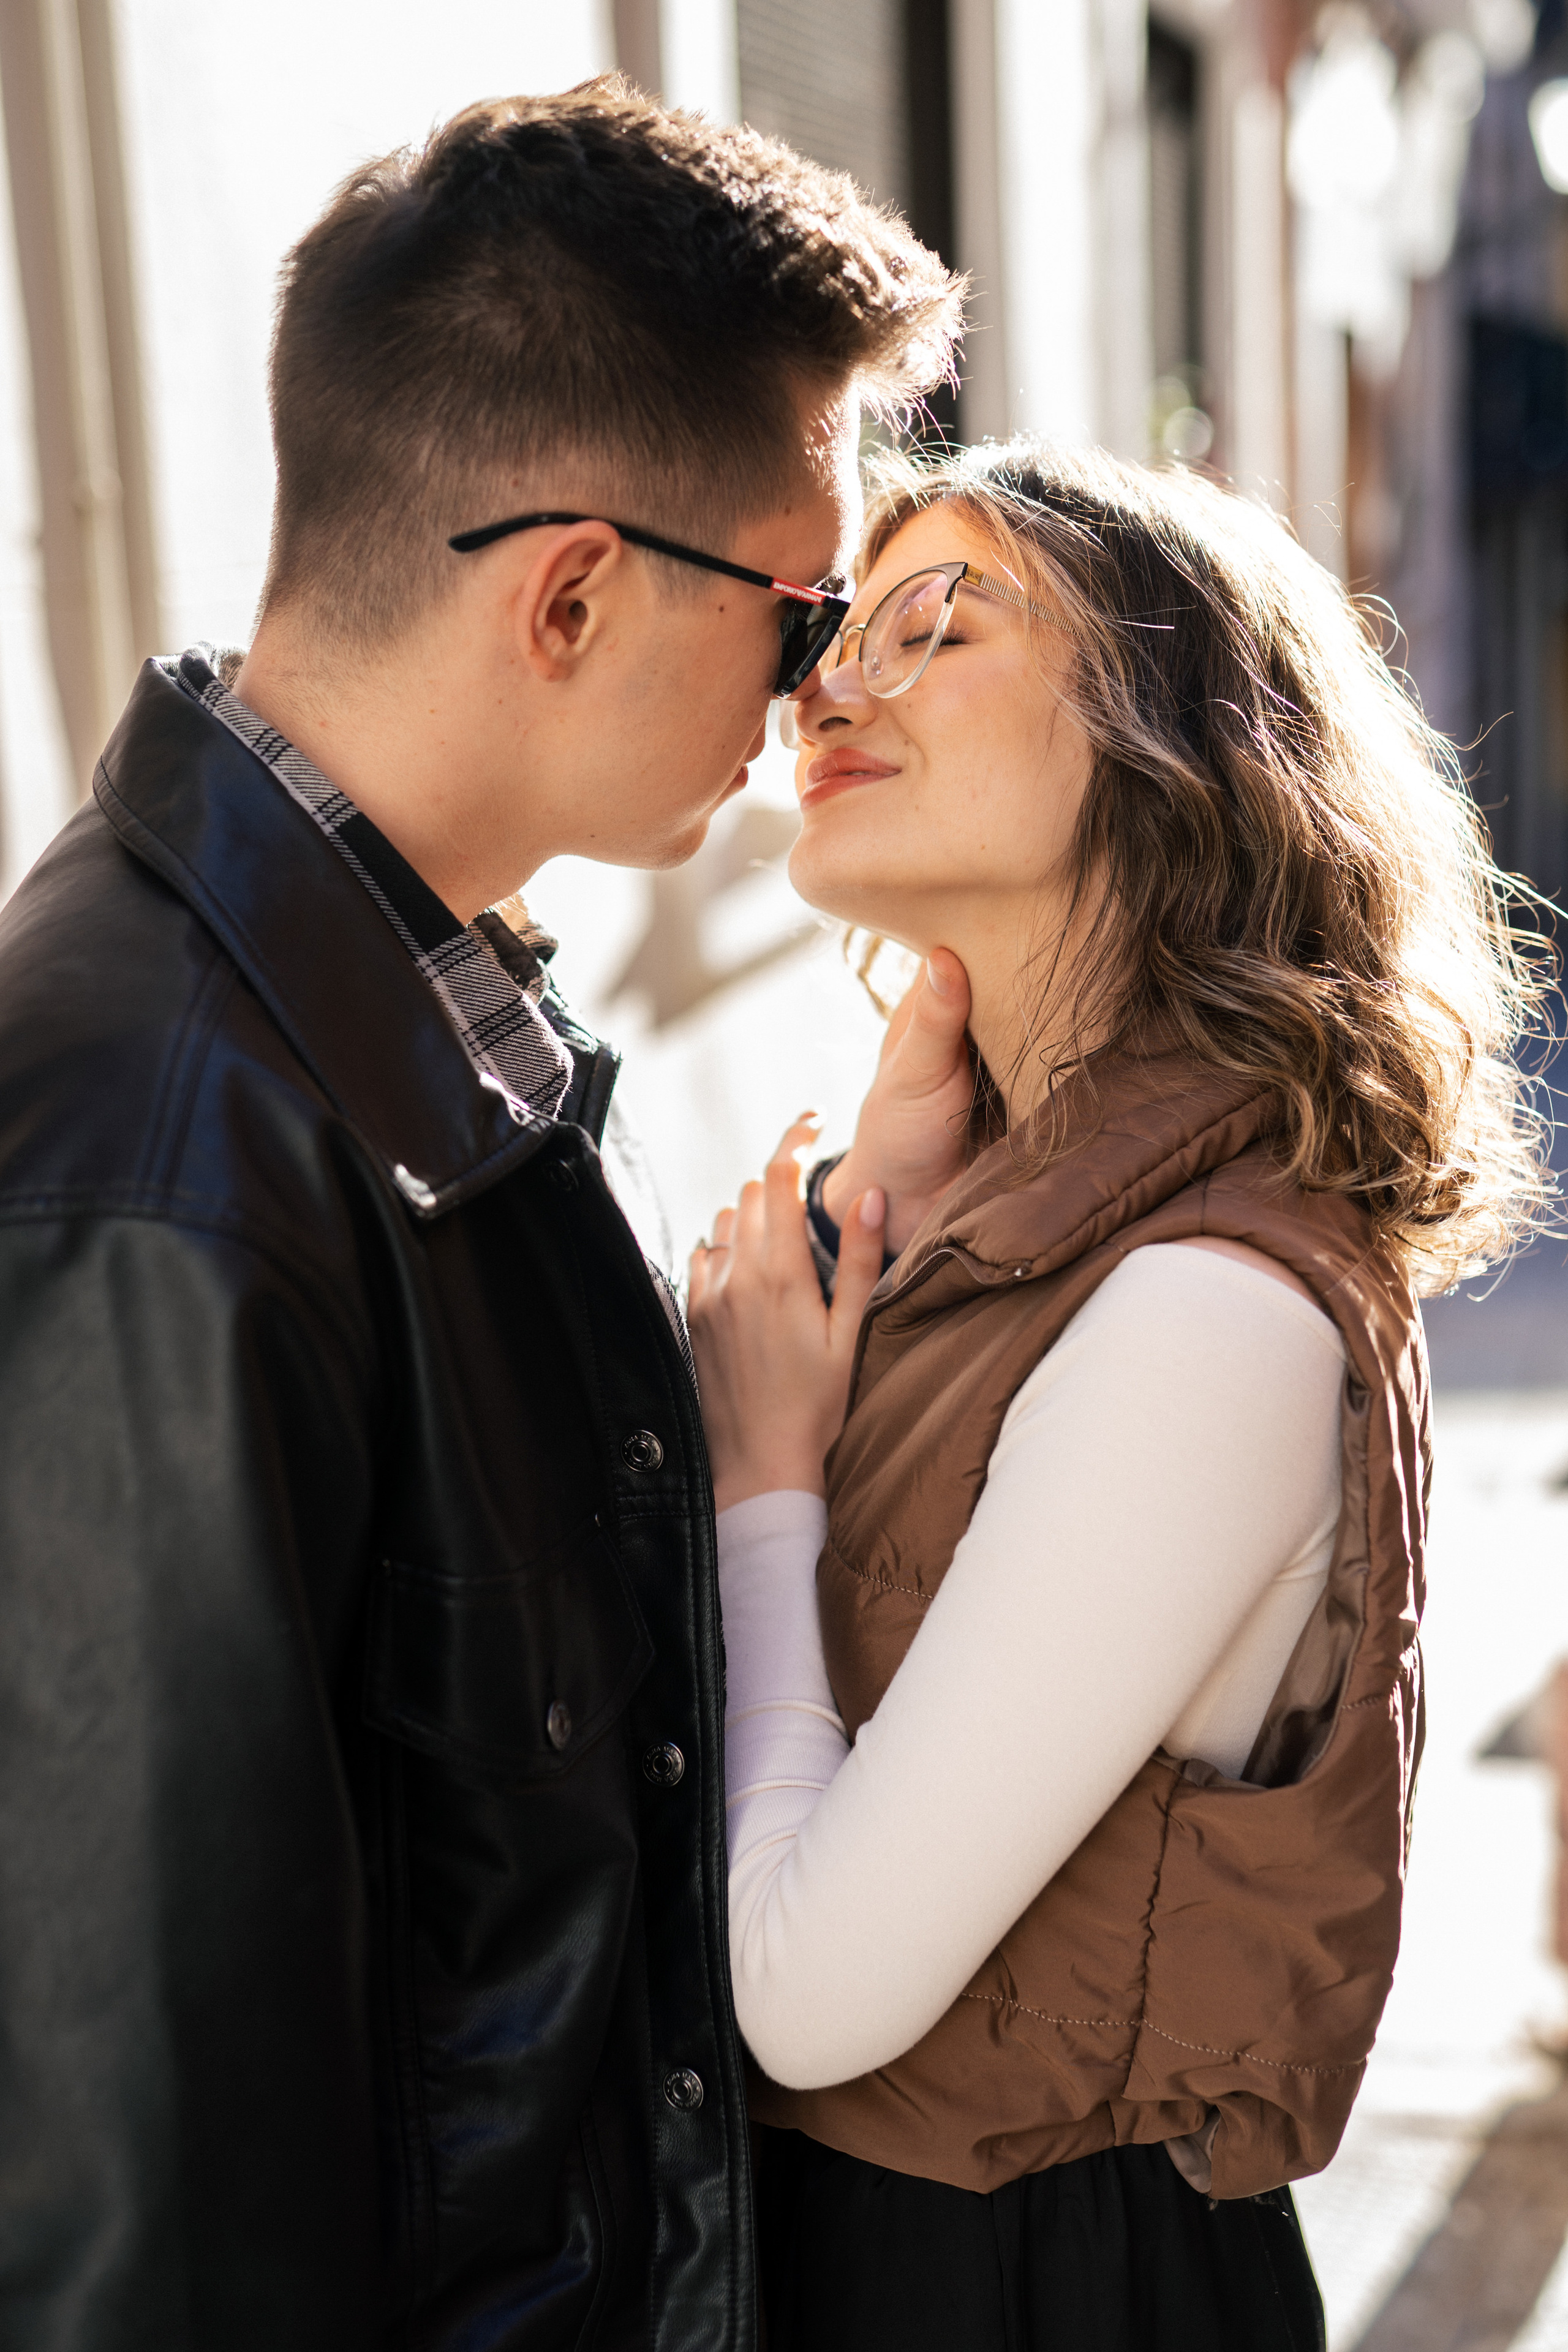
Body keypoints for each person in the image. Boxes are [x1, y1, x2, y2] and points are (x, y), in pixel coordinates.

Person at [0, 80, 962, 2350]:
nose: (818, 678)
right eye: (803, 601)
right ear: (569, 595)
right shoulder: (156, 1162)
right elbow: (141, 2198)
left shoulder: (404, 1011)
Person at [687, 439, 1546, 2351]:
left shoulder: (1205, 1319)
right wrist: (883, 1219)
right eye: (841, 632)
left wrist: (765, 1475)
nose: (829, 682)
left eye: (938, 624)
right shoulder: (1033, 1225)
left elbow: (809, 1990)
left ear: (1173, 736)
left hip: (1014, 2290)